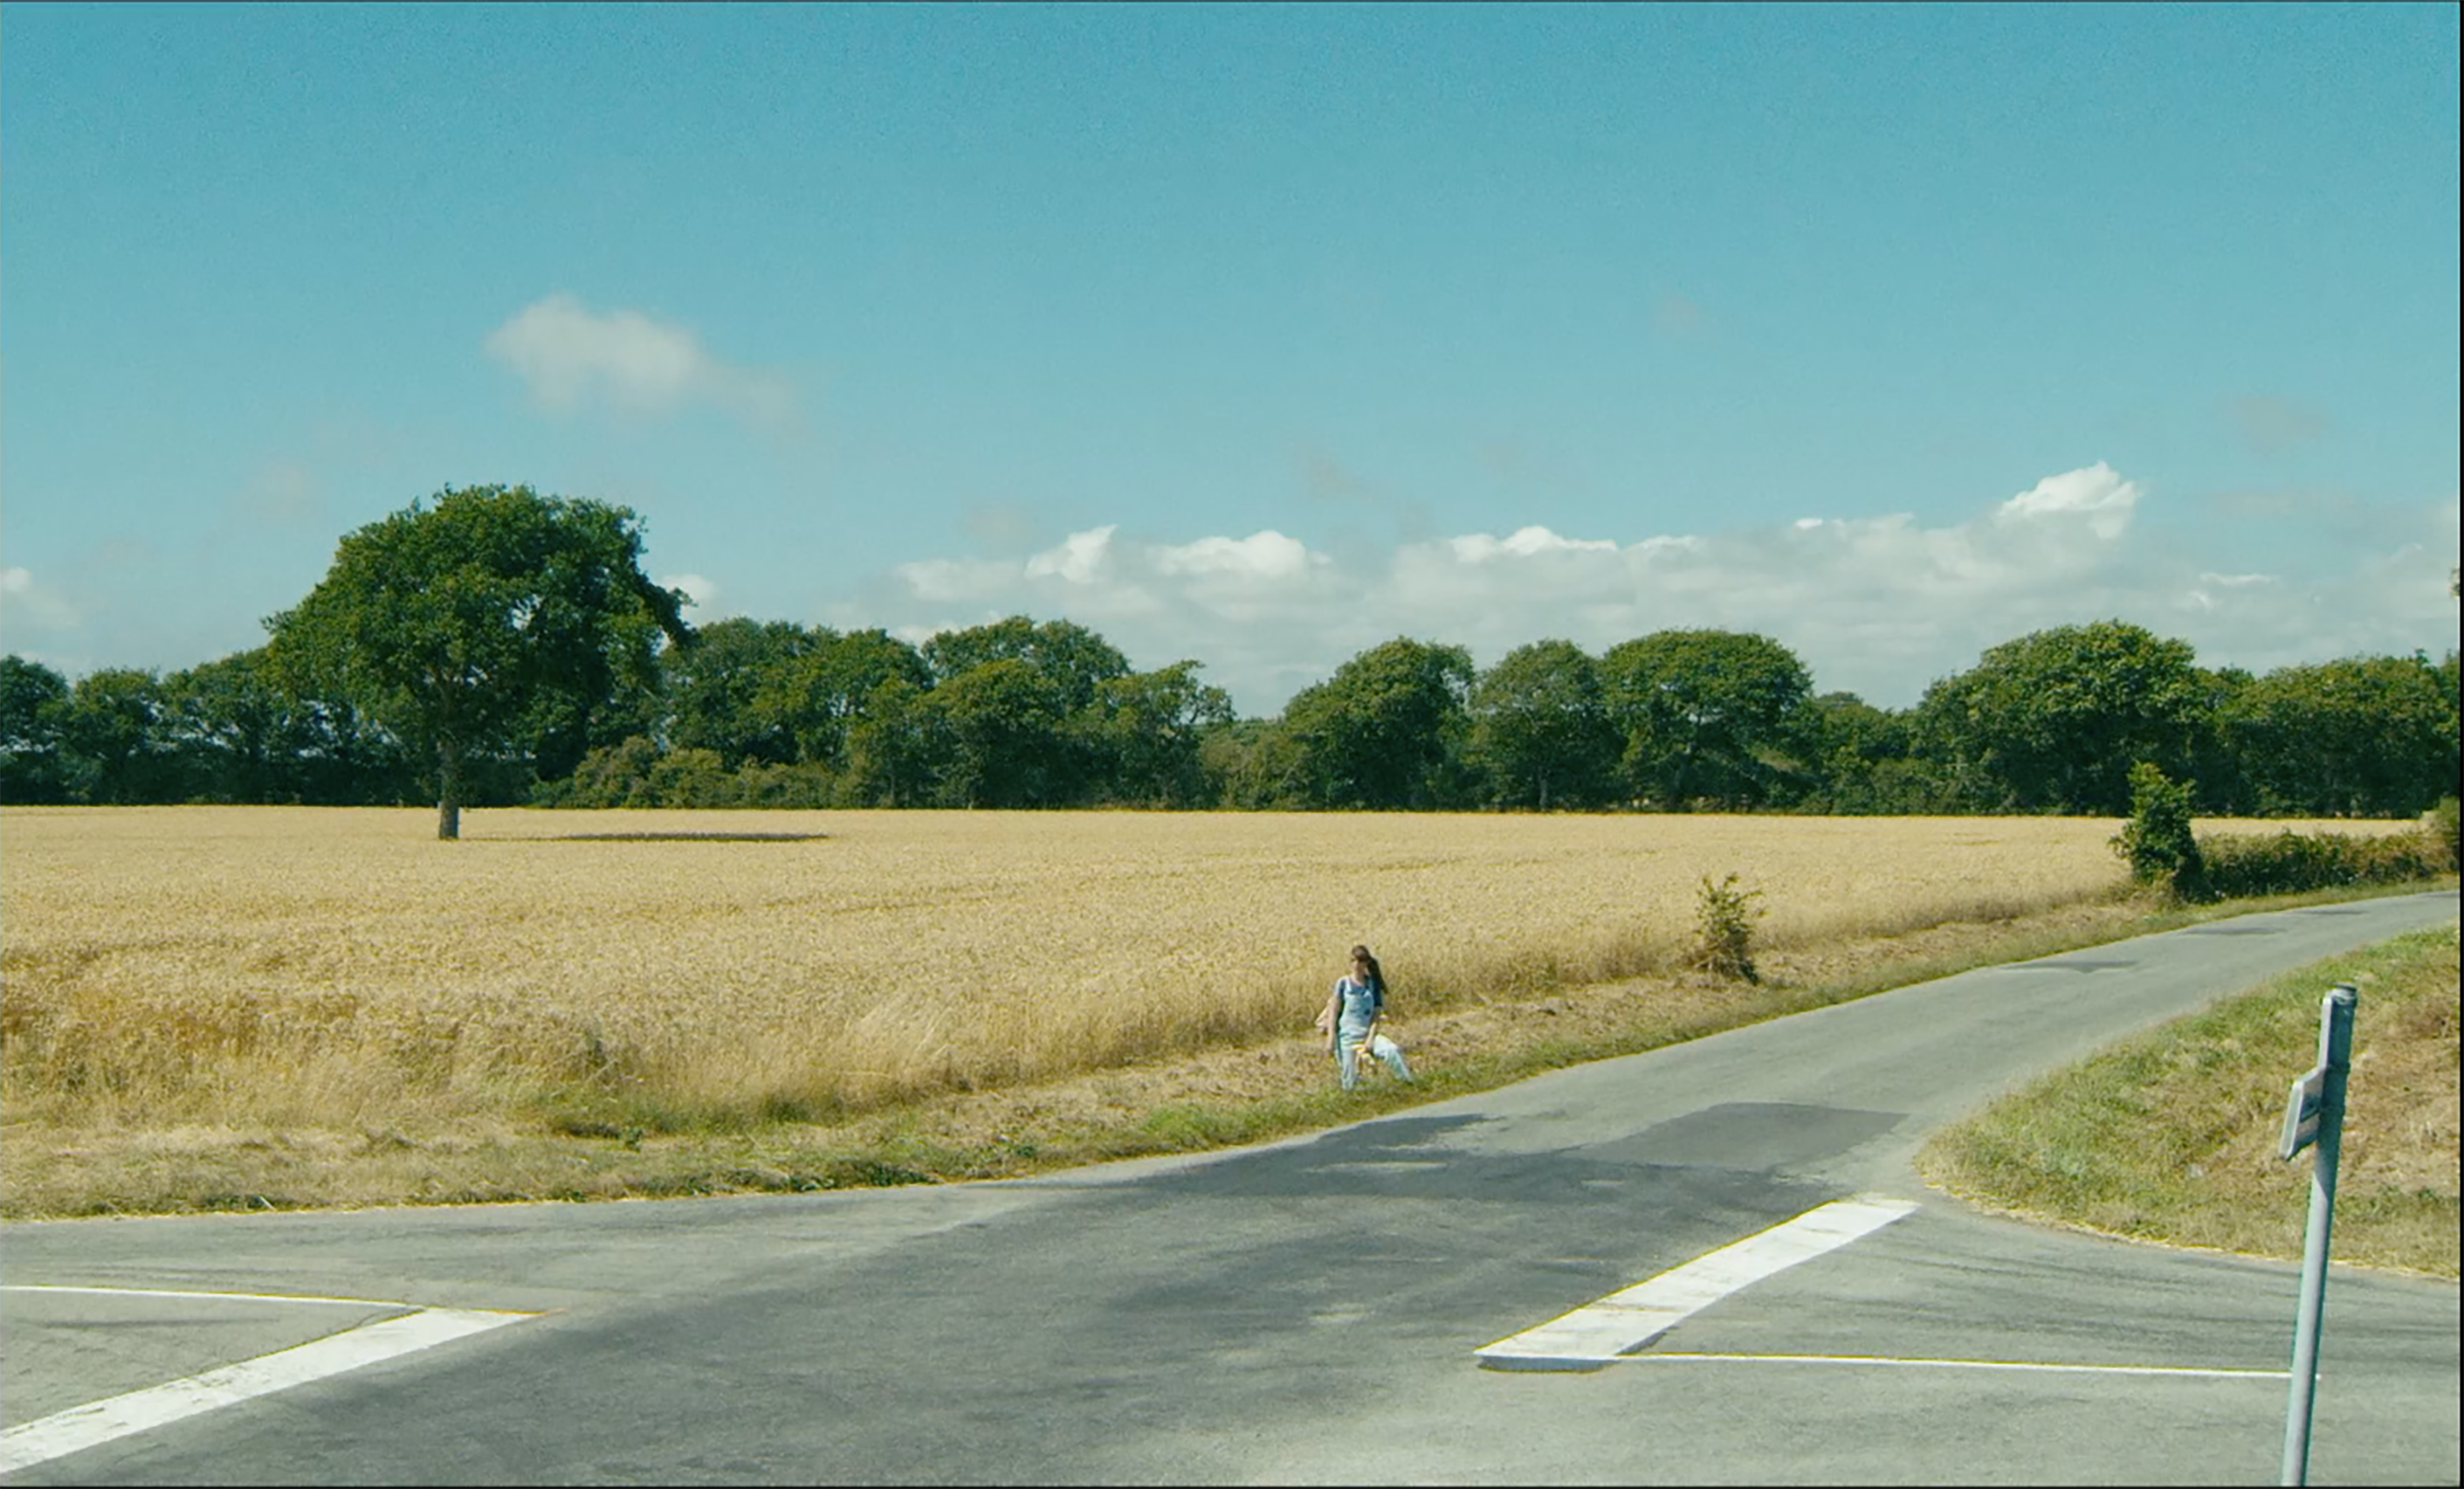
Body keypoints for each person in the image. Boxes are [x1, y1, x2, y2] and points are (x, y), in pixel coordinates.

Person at [1319, 943, 1413, 1091]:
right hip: (1346, 1038)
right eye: (1353, 960)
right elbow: (1333, 1012)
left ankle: (1407, 1084)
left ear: (1366, 963)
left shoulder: (1372, 985)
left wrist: (1370, 1038)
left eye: (1360, 961)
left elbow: (1376, 1015)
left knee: (1392, 1051)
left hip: (1366, 1033)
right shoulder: (1343, 984)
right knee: (1349, 1081)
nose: (1356, 965)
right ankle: (1356, 1096)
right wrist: (1330, 1039)